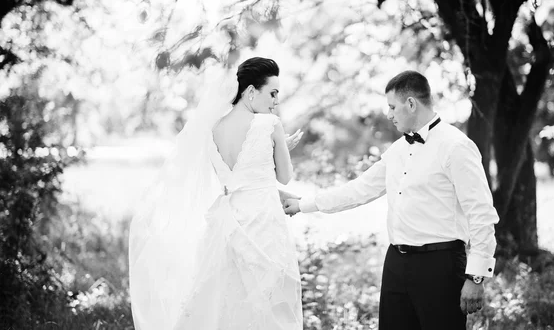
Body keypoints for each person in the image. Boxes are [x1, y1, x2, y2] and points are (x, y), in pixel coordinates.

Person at [283, 70, 500, 330]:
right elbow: (359, 190)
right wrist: (303, 204)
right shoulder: (397, 150)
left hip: (440, 266)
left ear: (411, 104)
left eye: (392, 107)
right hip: (396, 263)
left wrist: (476, 277)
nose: (389, 114)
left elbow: (481, 213)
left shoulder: (456, 147)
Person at [129, 57, 304, 330]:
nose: (275, 101)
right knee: (267, 301)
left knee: (224, 300)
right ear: (250, 92)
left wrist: (272, 150)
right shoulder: (269, 124)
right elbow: (284, 176)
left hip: (227, 223)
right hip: (263, 223)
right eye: (272, 93)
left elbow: (236, 181)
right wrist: (281, 146)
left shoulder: (211, 130)